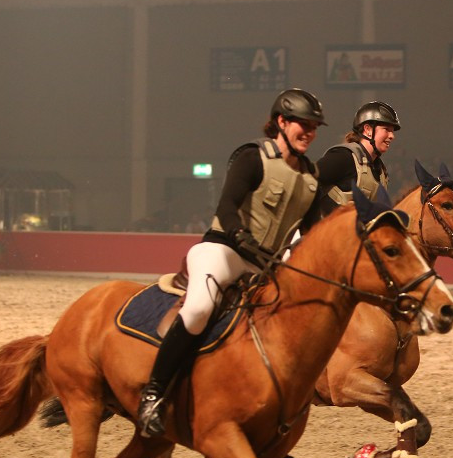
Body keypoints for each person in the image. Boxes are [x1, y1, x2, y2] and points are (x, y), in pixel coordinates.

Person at [136, 88, 329, 438]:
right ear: (281, 122)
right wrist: (241, 236)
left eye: (315, 126)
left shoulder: (312, 176)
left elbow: (311, 230)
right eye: (304, 124)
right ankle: (153, 393)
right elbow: (226, 205)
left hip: (268, 262)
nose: (310, 132)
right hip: (225, 251)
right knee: (197, 309)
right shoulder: (253, 157)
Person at [316, 101, 401, 214]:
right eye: (386, 129)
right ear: (368, 130)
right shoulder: (344, 157)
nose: (392, 136)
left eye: (392, 131)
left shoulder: (381, 171)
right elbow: (308, 183)